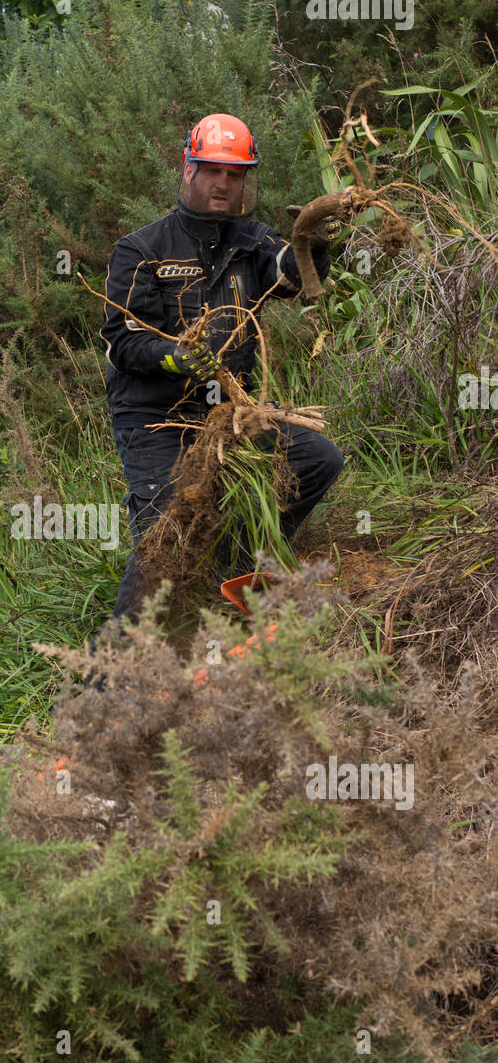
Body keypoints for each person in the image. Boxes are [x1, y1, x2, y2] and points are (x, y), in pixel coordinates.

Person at [89, 112, 344, 674]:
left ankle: (221, 573)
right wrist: (175, 356)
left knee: (317, 458)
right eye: (211, 171)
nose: (222, 184)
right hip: (153, 415)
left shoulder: (253, 240)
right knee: (163, 531)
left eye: (235, 174)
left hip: (231, 413)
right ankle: (108, 682)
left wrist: (312, 244)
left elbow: (289, 276)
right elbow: (120, 341)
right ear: (189, 169)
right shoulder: (141, 248)